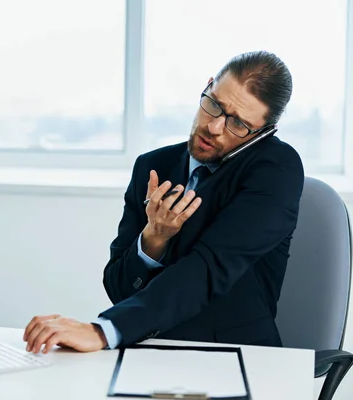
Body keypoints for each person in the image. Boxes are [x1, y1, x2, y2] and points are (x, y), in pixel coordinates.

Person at [23, 51, 304, 354]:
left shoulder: (276, 169)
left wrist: (104, 331)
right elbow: (119, 289)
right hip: (146, 348)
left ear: (260, 134)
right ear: (208, 86)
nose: (214, 127)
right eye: (214, 106)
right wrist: (154, 239)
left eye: (237, 123)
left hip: (233, 354)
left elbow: (208, 268)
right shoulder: (152, 165)